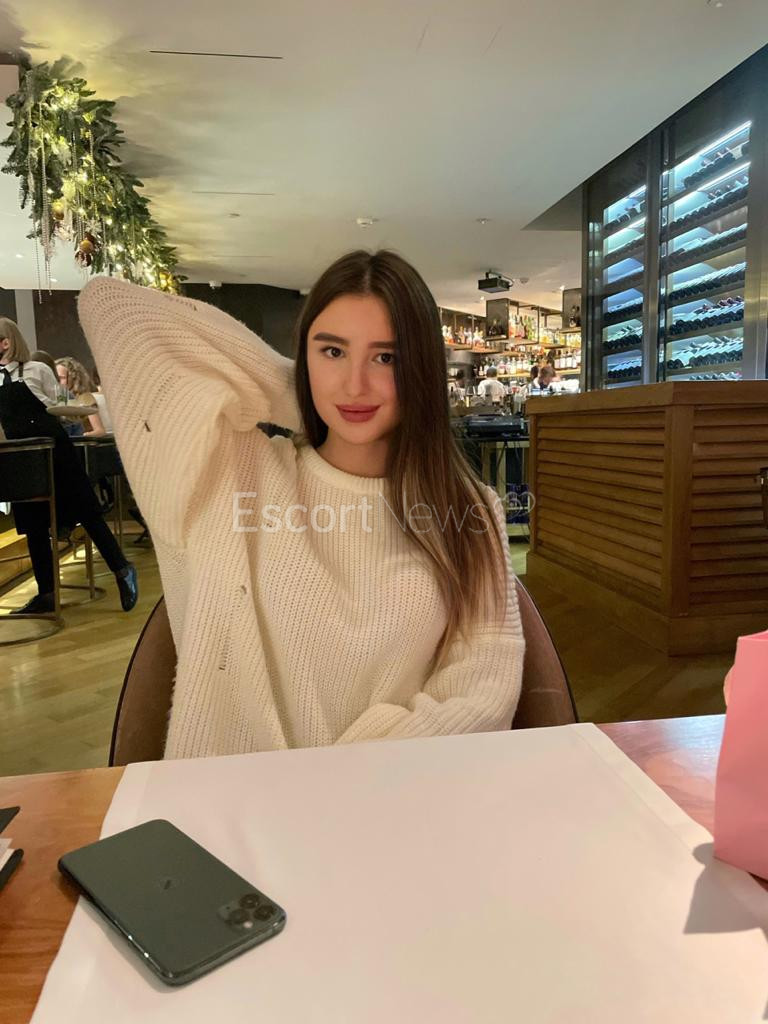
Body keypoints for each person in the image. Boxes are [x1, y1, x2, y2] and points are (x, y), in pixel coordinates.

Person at [78, 250, 524, 760]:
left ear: (421, 367)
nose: (355, 384)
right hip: (231, 797)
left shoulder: (468, 508)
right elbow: (112, 310)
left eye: (387, 358)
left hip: (391, 788)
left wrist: (334, 774)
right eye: (332, 351)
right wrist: (303, 395)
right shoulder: (234, 475)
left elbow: (484, 688)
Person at [0, 318, 138, 615]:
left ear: (6, 342)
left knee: (86, 512)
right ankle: (46, 594)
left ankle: (122, 569)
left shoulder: (36, 370)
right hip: (24, 457)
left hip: (54, 448)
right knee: (34, 526)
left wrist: (72, 413)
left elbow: (61, 403)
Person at [55, 356, 105, 437]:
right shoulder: (58, 399)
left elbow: (100, 431)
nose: (57, 381)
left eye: (62, 378)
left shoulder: (85, 398)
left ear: (74, 378)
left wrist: (82, 436)